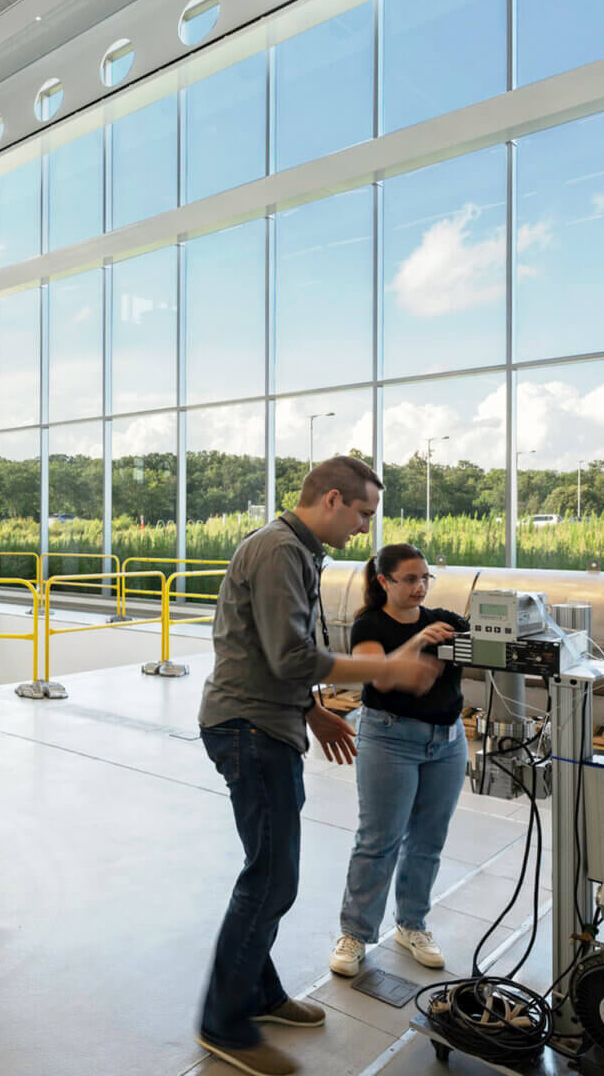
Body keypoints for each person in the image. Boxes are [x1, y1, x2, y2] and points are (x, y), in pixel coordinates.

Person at [196, 458, 455, 1076]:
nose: (366, 528)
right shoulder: (280, 551)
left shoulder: (301, 553)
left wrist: (312, 714)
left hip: (270, 724)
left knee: (269, 871)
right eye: (364, 513)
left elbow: (271, 652)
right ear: (333, 499)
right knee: (272, 879)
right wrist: (387, 669)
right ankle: (224, 1025)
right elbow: (290, 656)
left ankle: (259, 994)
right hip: (247, 729)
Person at [330, 543, 468, 980]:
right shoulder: (369, 624)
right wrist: (416, 642)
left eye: (426, 577)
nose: (420, 587)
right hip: (390, 739)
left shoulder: (447, 622)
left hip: (447, 742)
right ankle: (356, 932)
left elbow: (491, 645)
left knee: (428, 839)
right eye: (409, 579)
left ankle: (412, 925)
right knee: (379, 838)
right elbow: (377, 673)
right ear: (384, 581)